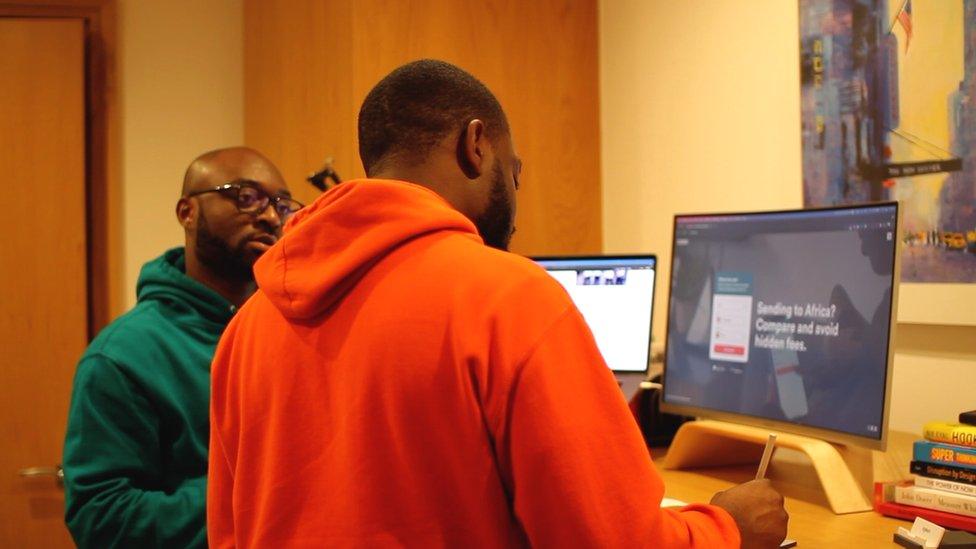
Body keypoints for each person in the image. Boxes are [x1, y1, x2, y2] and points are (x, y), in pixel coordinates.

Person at [208, 60, 788, 548]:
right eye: (515, 170)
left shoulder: (249, 327)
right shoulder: (510, 298)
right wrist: (729, 528)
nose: (516, 194)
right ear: (476, 144)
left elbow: (228, 535)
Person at [62, 147, 300, 548]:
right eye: (246, 197)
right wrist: (253, 495)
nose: (271, 217)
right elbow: (100, 517)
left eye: (281, 204)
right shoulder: (122, 356)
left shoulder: (291, 328)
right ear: (187, 212)